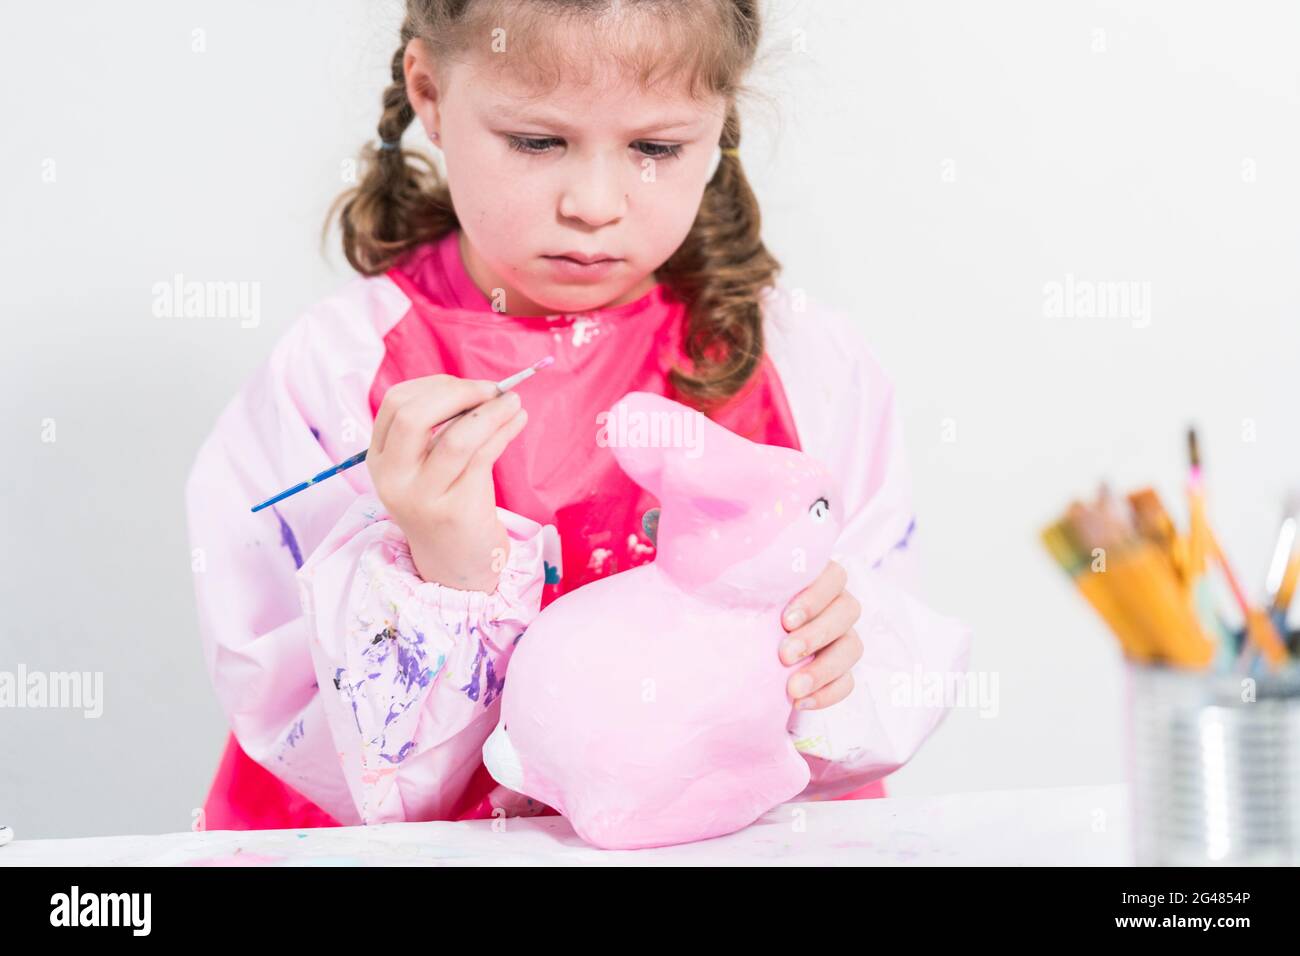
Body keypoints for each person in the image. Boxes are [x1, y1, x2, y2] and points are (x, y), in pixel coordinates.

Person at [185, 0, 971, 830]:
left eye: (656, 148)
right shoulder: (339, 376)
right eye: (536, 141)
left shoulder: (804, 362)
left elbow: (886, 669)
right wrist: (447, 572)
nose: (595, 204)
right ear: (430, 93)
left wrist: (830, 670)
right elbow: (329, 759)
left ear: (719, 123)